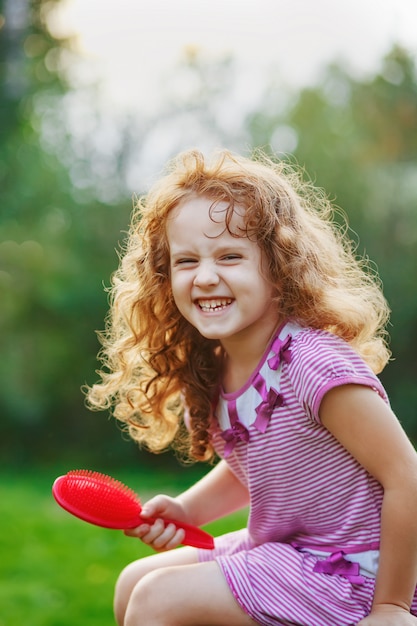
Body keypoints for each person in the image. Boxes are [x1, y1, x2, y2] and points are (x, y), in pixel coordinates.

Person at [86, 149, 417, 626]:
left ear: (280, 269)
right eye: (185, 261)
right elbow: (258, 468)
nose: (204, 277)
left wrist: (392, 608)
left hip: (356, 571)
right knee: (134, 583)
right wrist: (186, 509)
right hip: (289, 551)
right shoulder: (213, 370)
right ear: (164, 277)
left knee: (158, 599)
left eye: (230, 256)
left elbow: (404, 474)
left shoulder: (312, 364)